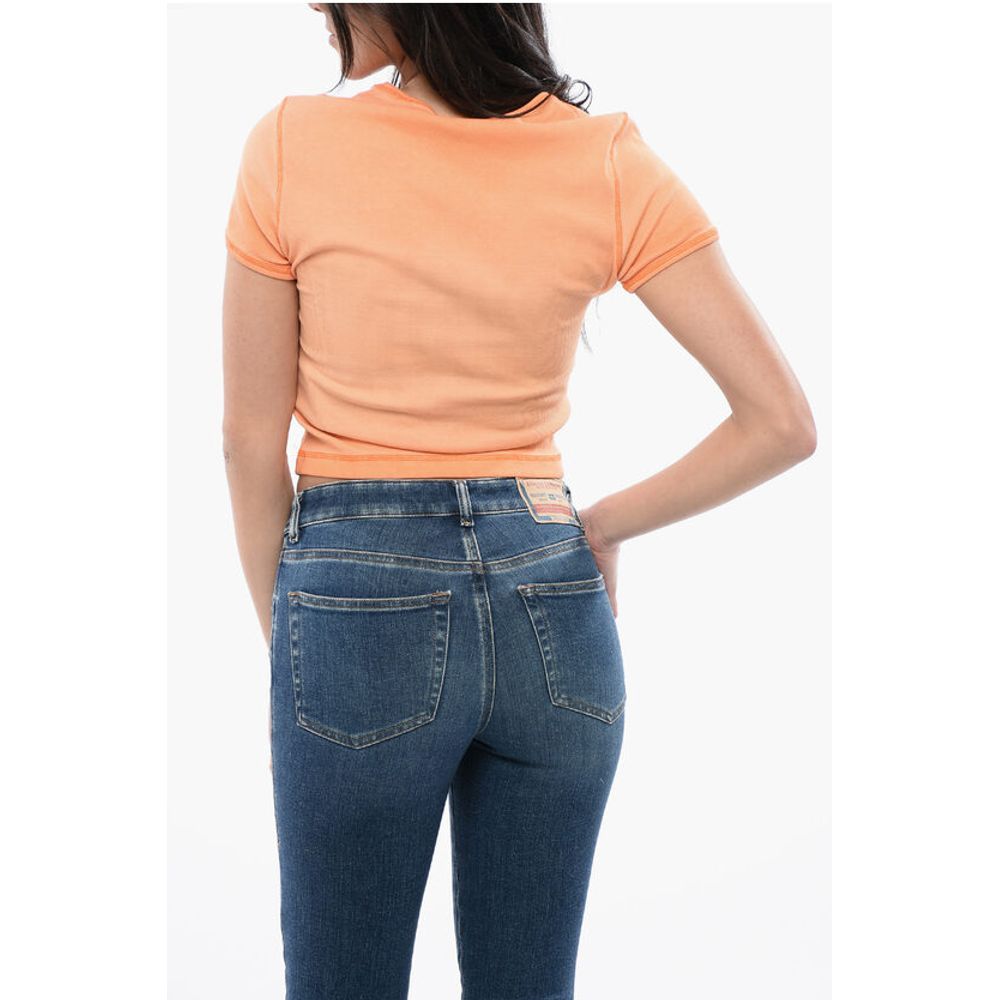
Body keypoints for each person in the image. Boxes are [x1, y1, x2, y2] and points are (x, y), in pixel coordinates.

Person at [222, 5, 816, 998]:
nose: (317, 6)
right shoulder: (606, 159)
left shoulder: (289, 146)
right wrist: (600, 527)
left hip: (358, 601)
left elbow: (249, 442)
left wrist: (296, 640)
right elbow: (781, 422)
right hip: (556, 608)